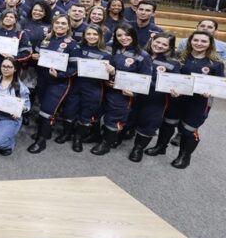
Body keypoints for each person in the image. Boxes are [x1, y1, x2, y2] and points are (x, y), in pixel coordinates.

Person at [146, 31, 224, 169]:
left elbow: (218, 85)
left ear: (210, 44)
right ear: (190, 41)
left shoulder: (216, 63)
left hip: (199, 102)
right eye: (196, 40)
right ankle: (161, 146)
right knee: (168, 123)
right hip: (176, 98)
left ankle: (184, 156)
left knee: (189, 129)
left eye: (204, 41)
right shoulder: (179, 56)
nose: (199, 44)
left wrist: (210, 92)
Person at [91, 24, 152, 156]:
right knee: (96, 111)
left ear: (133, 35)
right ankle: (96, 136)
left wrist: (134, 93)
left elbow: (145, 80)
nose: (123, 38)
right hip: (105, 88)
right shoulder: (113, 49)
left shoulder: (142, 55)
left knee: (113, 118)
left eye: (127, 34)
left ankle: (106, 143)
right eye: (119, 35)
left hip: (122, 94)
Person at [27, 15, 79, 154]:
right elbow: (36, 56)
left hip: (59, 83)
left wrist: (61, 75)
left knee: (47, 110)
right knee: (43, 106)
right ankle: (46, 132)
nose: (60, 26)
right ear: (53, 24)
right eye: (57, 23)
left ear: (68, 26)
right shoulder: (45, 40)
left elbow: (75, 68)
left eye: (63, 23)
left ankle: (41, 141)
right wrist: (34, 57)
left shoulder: (72, 44)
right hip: (43, 80)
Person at [127, 32, 180, 163]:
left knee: (149, 123)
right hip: (133, 95)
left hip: (155, 99)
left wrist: (176, 90)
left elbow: (175, 83)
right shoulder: (138, 54)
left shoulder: (173, 63)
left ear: (170, 47)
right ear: (152, 41)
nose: (159, 45)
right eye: (157, 42)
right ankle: (122, 135)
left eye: (164, 44)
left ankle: (138, 148)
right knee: (129, 117)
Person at [70, 24, 113, 152]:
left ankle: (78, 138)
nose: (91, 37)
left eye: (95, 34)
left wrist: (110, 74)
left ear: (100, 36)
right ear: (84, 35)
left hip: (93, 87)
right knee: (71, 109)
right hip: (75, 84)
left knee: (87, 113)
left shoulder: (106, 53)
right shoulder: (77, 47)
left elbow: (107, 76)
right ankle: (69, 132)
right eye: (88, 34)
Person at [0, 57, 31, 155]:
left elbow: (27, 106)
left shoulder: (21, 87)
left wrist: (19, 111)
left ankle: (9, 144)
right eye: (3, 66)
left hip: (8, 119)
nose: (6, 69)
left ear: (15, 69)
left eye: (9, 67)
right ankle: (2, 136)